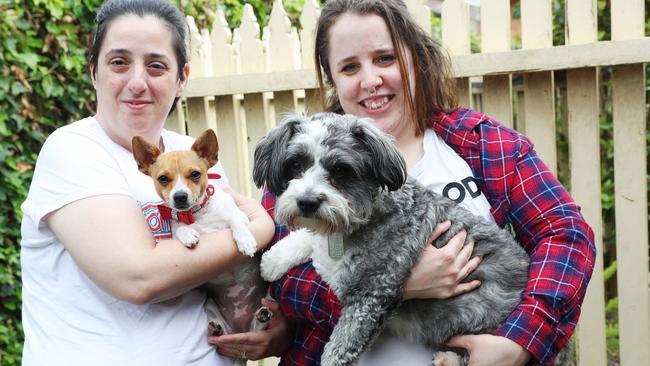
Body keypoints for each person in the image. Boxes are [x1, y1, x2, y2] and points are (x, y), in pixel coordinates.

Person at [212, 0, 596, 365]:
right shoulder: (299, 163)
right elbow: (281, 282)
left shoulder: (482, 143)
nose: (370, 80)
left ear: (415, 59)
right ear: (331, 77)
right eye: (349, 67)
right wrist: (397, 284)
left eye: (385, 58)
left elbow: (566, 235)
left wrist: (519, 339)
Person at [19, 1, 282, 365]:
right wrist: (260, 227)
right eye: (119, 62)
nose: (138, 82)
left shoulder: (188, 156)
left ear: (182, 79)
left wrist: (277, 331)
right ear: (94, 71)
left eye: (156, 66)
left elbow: (231, 272)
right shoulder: (73, 149)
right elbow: (140, 278)